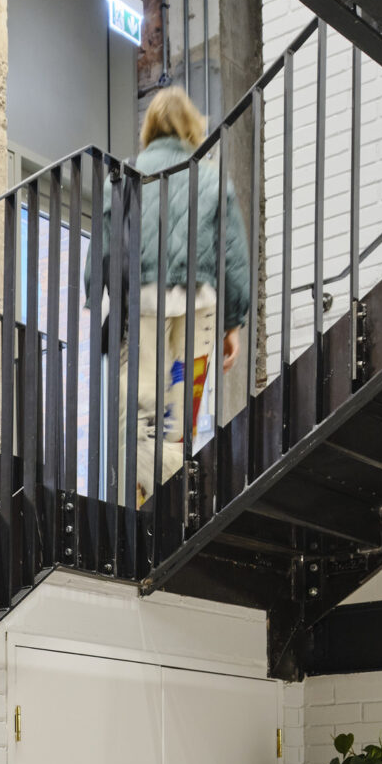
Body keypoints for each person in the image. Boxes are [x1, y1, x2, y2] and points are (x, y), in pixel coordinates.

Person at [101, 87, 251, 479]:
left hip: (144, 305)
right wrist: (232, 323)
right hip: (199, 307)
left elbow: (104, 253)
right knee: (184, 417)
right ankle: (182, 495)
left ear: (149, 127)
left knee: (143, 414)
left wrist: (107, 309)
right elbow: (232, 255)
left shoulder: (124, 176)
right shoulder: (211, 177)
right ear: (191, 126)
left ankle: (151, 504)